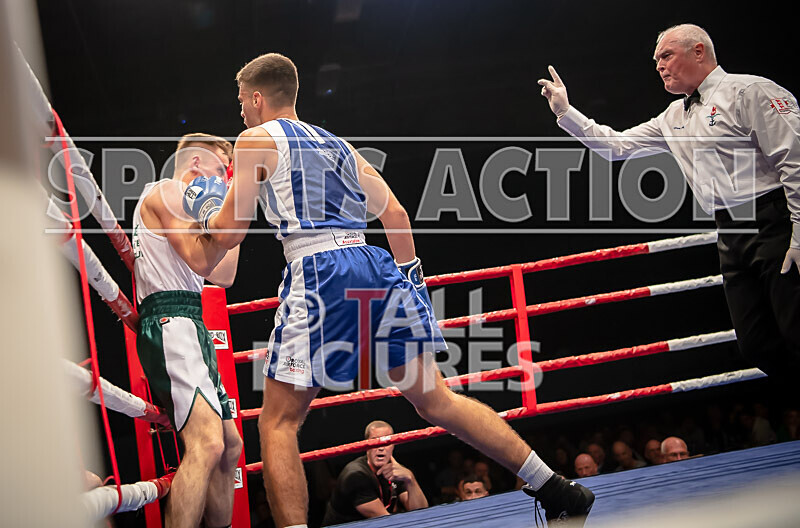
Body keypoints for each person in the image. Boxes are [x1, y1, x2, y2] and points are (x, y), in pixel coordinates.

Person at [183, 52, 595, 527]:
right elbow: (395, 214)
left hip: (319, 268)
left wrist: (204, 207)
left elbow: (230, 233)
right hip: (375, 264)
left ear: (257, 98)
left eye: (241, 100)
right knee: (436, 399)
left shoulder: (255, 139)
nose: (239, 111)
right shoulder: (339, 145)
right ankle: (557, 487)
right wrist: (412, 283)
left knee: (278, 423)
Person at [538, 24, 800, 392]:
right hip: (730, 232)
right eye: (656, 60)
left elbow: (795, 161)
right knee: (756, 344)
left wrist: (799, 234)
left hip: (776, 220)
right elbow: (616, 147)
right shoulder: (673, 116)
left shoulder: (750, 91)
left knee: (796, 331)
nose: (659, 65)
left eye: (666, 55)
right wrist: (567, 113)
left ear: (698, 51)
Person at [133, 133, 242, 528]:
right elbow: (200, 259)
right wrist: (234, 211)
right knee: (208, 442)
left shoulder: (193, 211)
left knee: (230, 447)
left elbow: (224, 275)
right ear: (196, 163)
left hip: (191, 323)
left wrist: (233, 214)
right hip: (170, 321)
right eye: (221, 169)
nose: (225, 178)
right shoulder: (167, 192)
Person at [321, 421, 427, 524]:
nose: (381, 448)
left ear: (393, 445)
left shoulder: (396, 471)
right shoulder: (355, 475)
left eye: (386, 442)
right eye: (375, 442)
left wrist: (410, 479)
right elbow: (386, 521)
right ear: (366, 445)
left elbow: (422, 513)